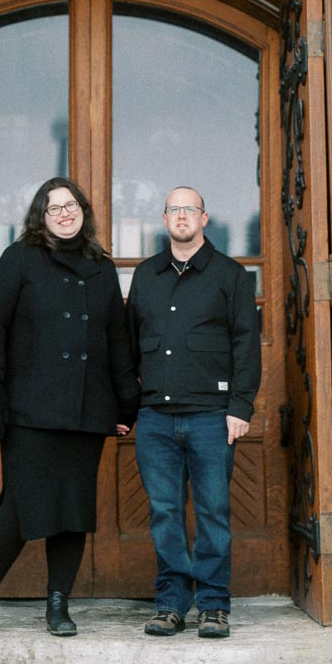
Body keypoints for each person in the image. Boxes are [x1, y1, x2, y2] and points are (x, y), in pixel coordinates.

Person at [0, 177, 139, 640]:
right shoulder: (19, 260)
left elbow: (117, 341)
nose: (64, 214)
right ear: (40, 215)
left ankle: (59, 605)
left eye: (71, 205)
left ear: (83, 211)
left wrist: (125, 403)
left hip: (86, 410)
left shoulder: (102, 268)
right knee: (17, 506)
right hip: (29, 411)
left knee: (74, 509)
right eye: (53, 208)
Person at [125, 186, 261, 639]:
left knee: (213, 512)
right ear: (164, 220)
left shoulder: (231, 276)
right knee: (164, 513)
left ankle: (213, 605)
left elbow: (246, 345)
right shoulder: (145, 276)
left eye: (190, 209)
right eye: (174, 210)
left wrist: (240, 406)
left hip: (211, 417)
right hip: (156, 420)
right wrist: (128, 408)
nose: (182, 216)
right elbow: (127, 347)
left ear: (204, 218)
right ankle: (170, 603)